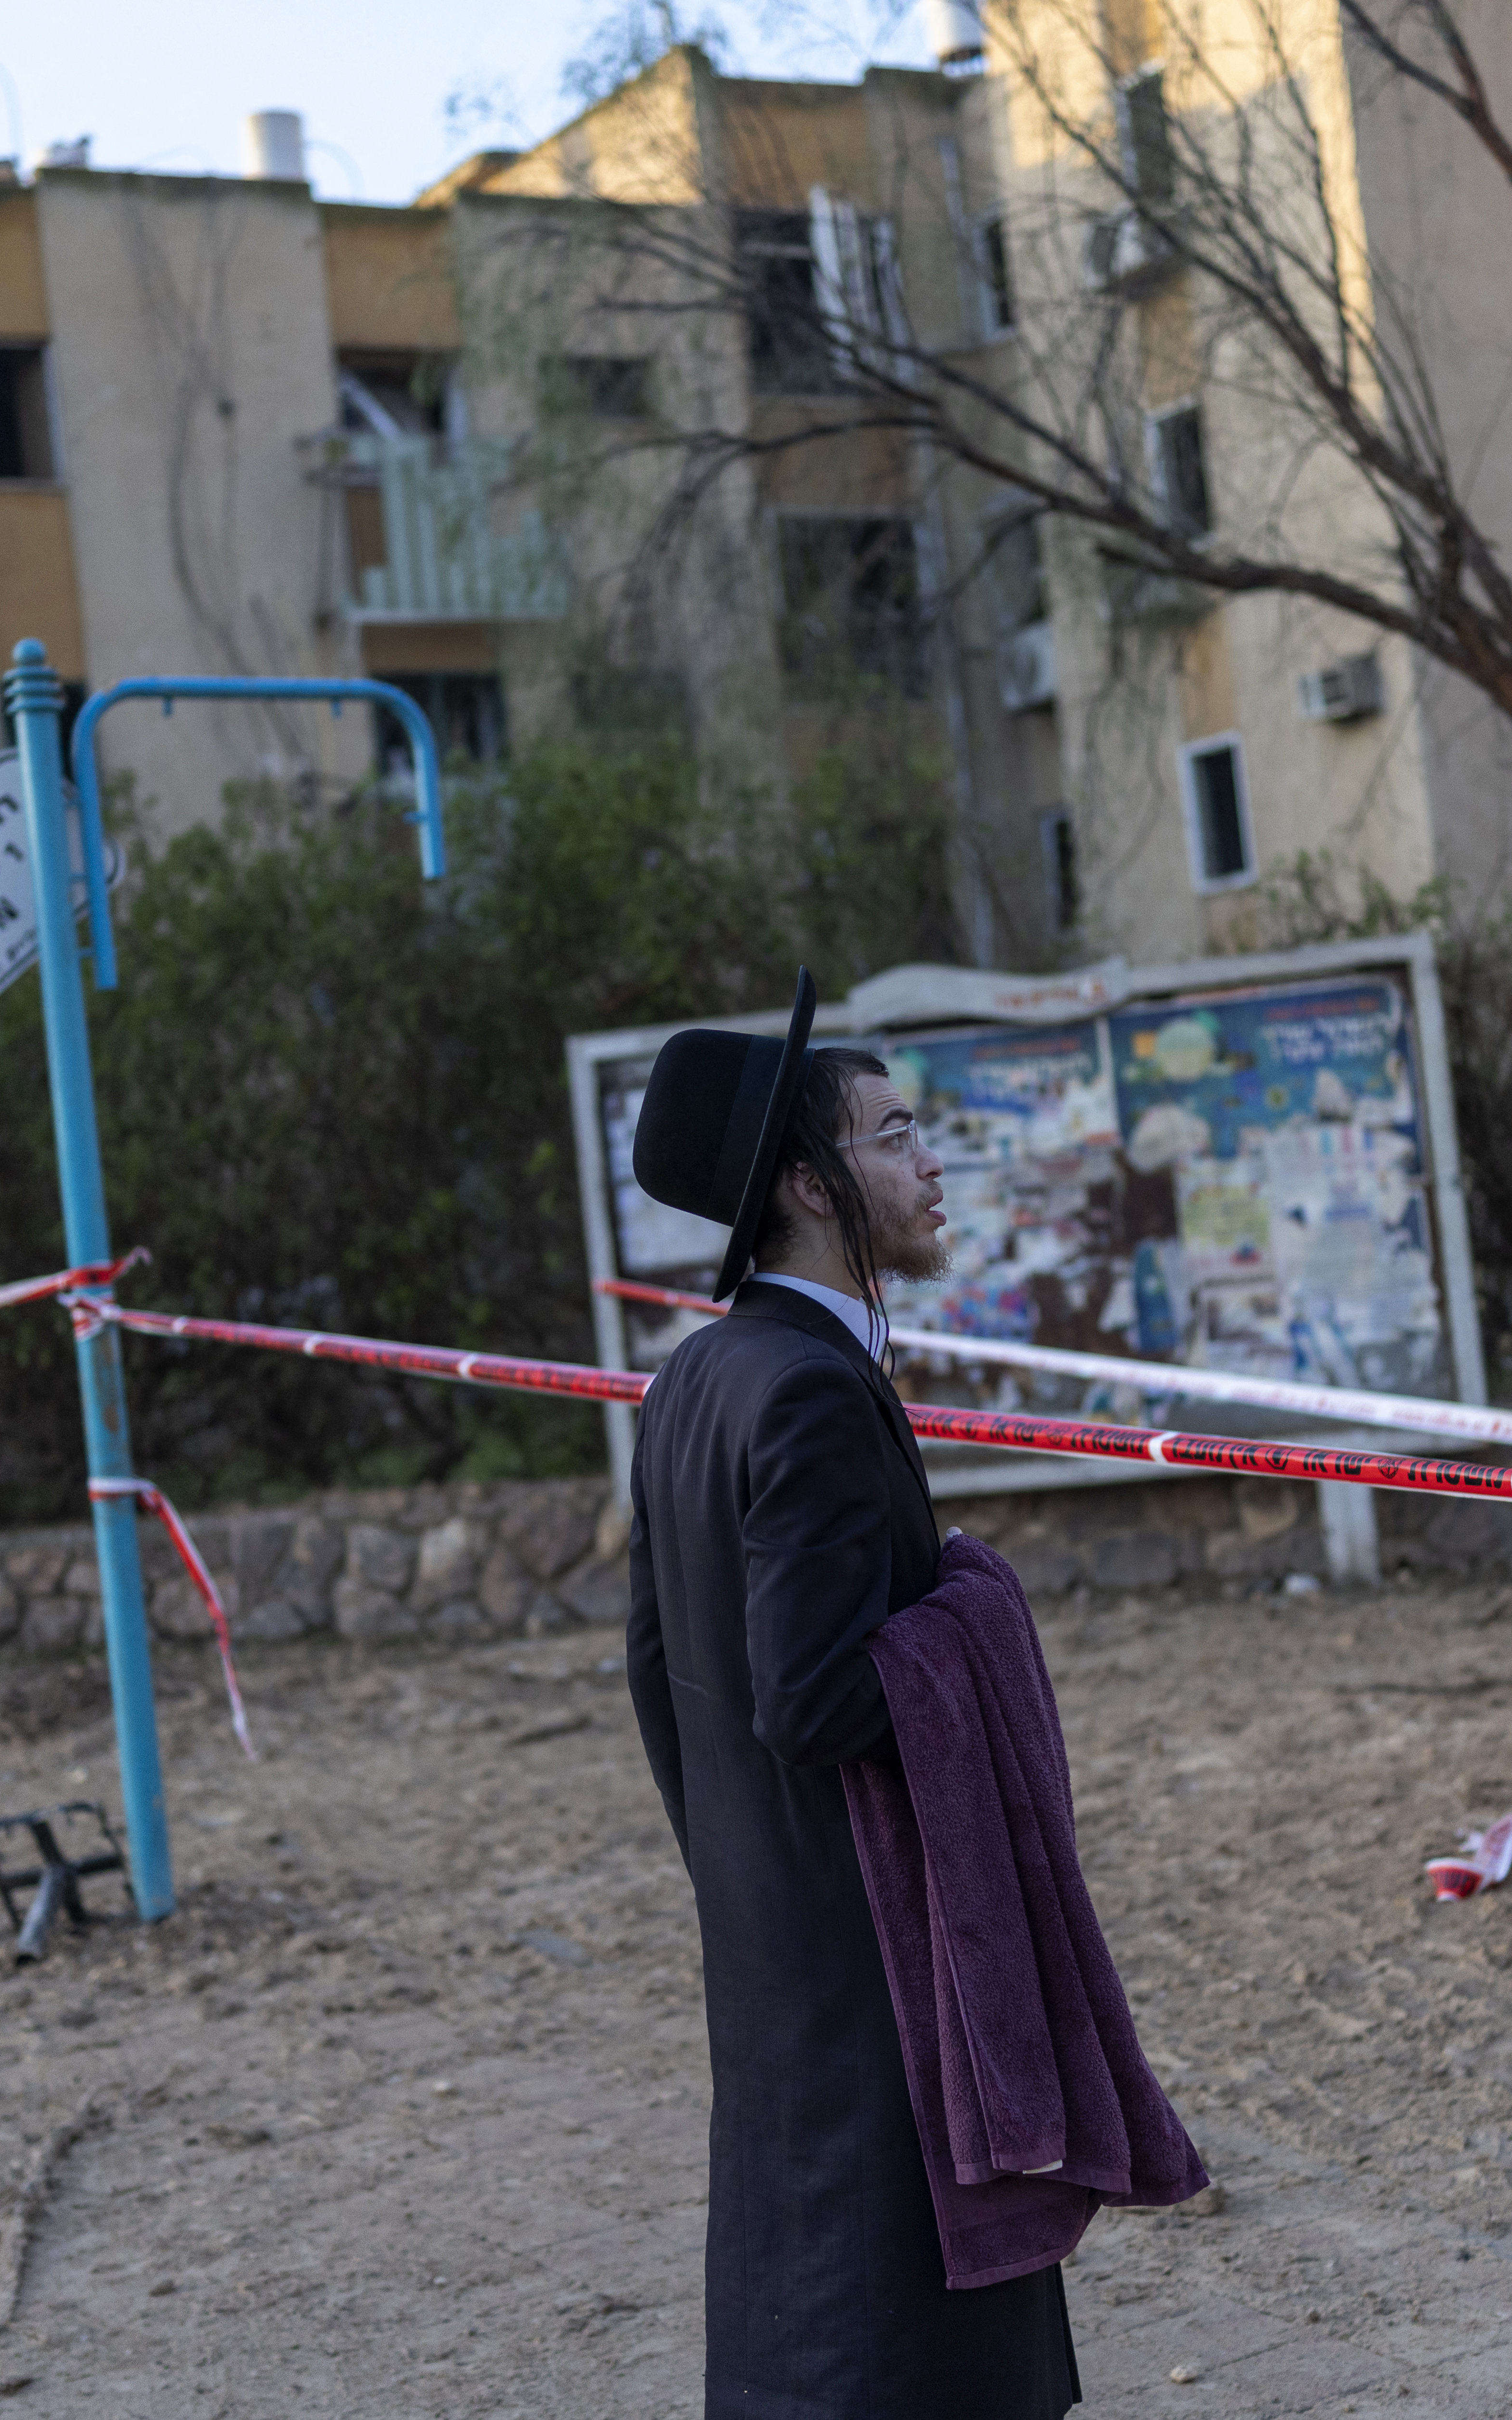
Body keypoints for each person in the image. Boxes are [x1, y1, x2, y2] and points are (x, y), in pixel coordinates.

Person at [623, 972, 1083, 2418]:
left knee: (804, 2312)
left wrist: (737, 1865)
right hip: (873, 1937)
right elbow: (815, 1699)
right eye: (895, 1135)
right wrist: (973, 1612)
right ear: (812, 1185)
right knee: (903, 2346)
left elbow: (652, 1671)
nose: (931, 1161)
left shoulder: (700, 1376)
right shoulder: (810, 1389)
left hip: (774, 1933)